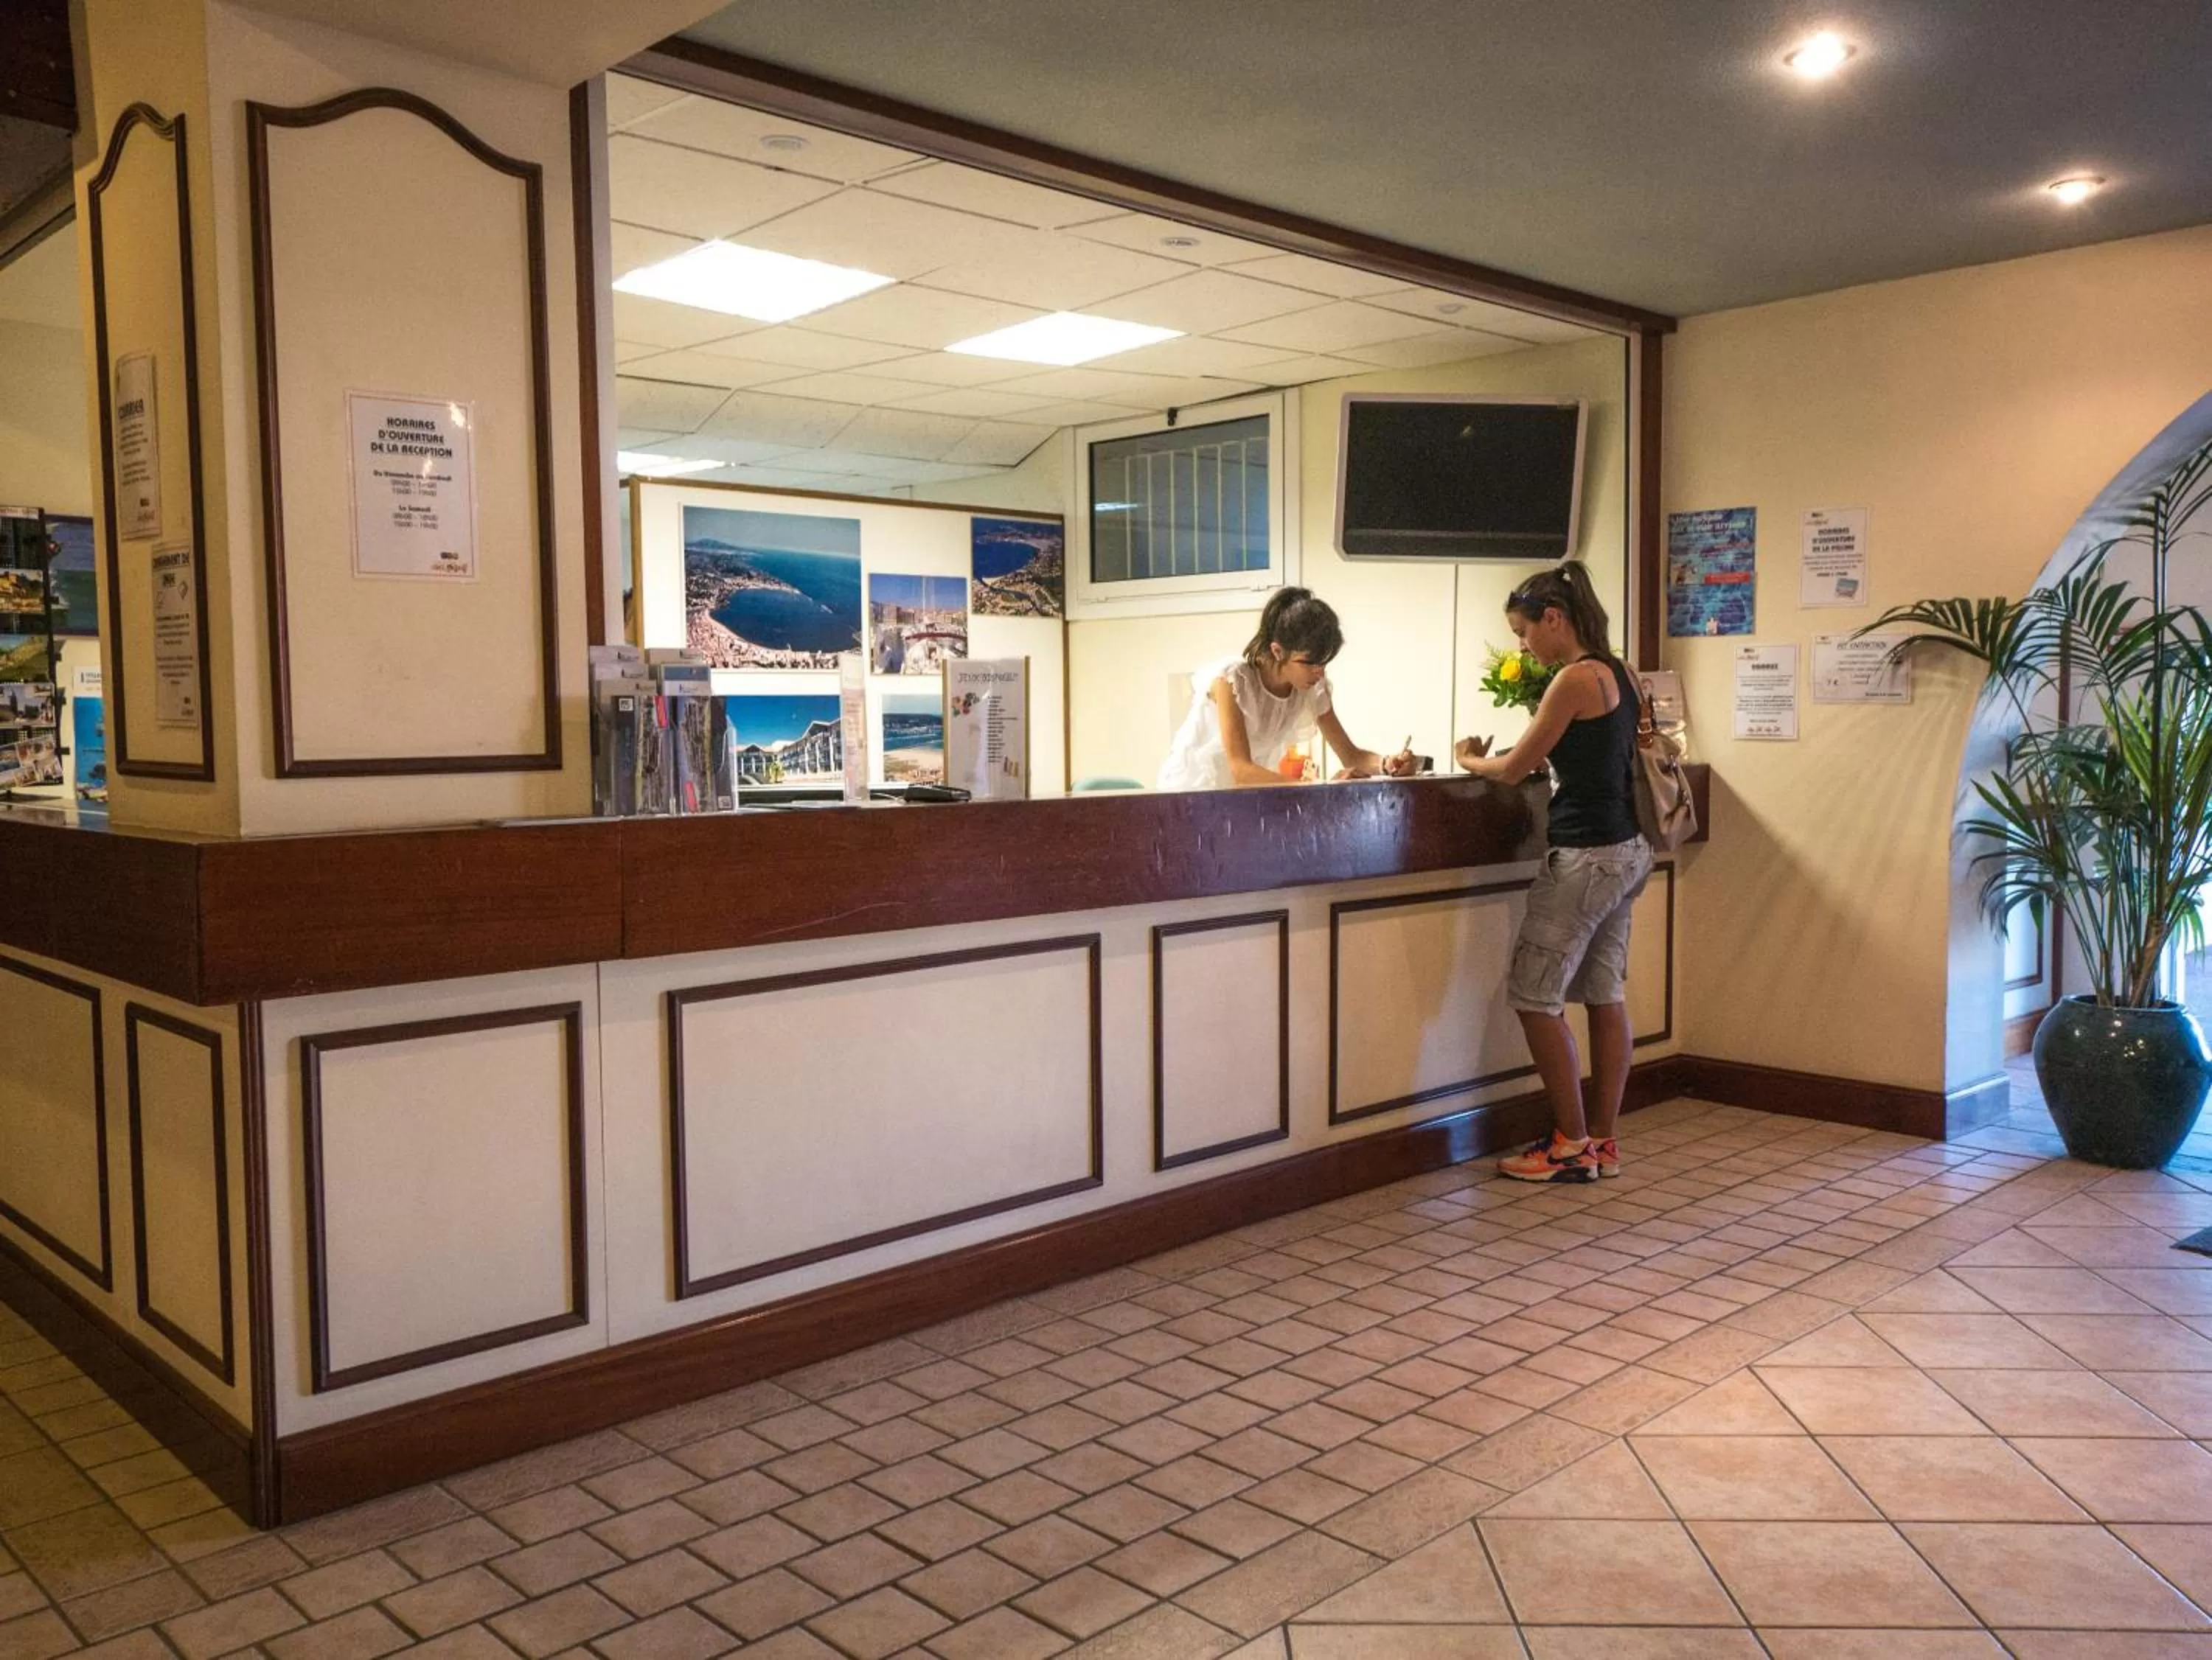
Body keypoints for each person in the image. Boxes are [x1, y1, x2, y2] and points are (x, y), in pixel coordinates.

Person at [1454, 561, 1650, 1184]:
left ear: (1555, 619)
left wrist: (1470, 760)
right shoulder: (1620, 672)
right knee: (1605, 994)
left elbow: (1514, 768)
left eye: (1523, 632)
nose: (1522, 645)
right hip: (1627, 849)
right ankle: (1604, 1143)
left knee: (1534, 997)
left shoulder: (1571, 679)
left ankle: (1568, 1144)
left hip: (1585, 856)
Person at [1158, 587, 1416, 790]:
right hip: (1194, 792)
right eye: (1310, 663)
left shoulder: (1311, 688)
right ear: (1278, 650)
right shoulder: (1232, 681)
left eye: (1324, 663)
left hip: (1246, 795)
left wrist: (1386, 764)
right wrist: (1321, 787)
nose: (1320, 672)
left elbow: (1350, 755)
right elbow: (1241, 770)